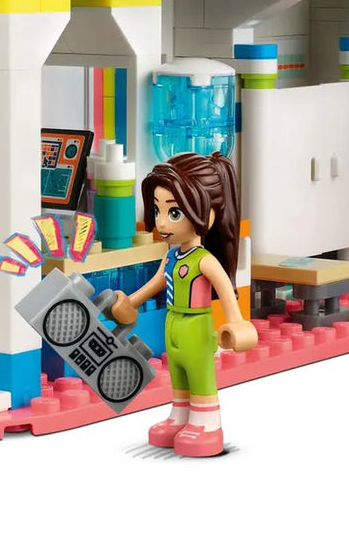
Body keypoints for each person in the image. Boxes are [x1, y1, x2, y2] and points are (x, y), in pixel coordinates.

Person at [109, 152, 256, 457]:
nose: (161, 222)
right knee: (178, 372)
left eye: (174, 213)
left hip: (196, 325)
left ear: (209, 214)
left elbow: (225, 290)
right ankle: (180, 415)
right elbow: (156, 283)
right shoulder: (172, 256)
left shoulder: (205, 260)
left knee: (199, 373)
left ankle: (207, 423)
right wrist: (131, 302)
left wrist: (235, 321)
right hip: (174, 322)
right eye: (157, 210)